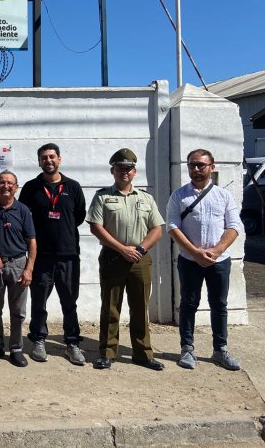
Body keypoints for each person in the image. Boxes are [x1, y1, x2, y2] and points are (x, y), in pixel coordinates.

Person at [86, 149, 165, 371]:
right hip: (113, 257)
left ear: (134, 172)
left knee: (141, 306)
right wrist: (122, 249)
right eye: (120, 168)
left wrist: (139, 249)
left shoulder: (146, 198)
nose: (124, 172)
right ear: (113, 170)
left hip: (140, 259)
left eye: (128, 168)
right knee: (110, 307)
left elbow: (157, 229)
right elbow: (95, 227)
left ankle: (143, 354)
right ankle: (107, 353)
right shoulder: (102, 197)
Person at [166, 149, 244, 371]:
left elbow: (234, 226)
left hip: (219, 261)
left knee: (219, 305)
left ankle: (220, 350)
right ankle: (187, 349)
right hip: (190, 260)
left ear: (212, 166)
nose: (196, 169)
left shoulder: (224, 196)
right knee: (189, 304)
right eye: (192, 165)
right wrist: (195, 252)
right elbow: (172, 227)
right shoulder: (179, 196)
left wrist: (217, 251)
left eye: (201, 165)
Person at [19, 143, 87, 366]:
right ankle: (38, 339)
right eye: (44, 158)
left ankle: (72, 343)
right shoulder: (30, 188)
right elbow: (23, 219)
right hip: (41, 256)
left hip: (68, 254)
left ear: (59, 159)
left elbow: (78, 216)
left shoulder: (73, 187)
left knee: (70, 301)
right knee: (39, 301)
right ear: (39, 162)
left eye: (52, 157)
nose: (48, 161)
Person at [0, 170, 37, 368]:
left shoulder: (23, 210)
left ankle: (16, 348)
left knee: (18, 310)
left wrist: (29, 269)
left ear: (16, 187)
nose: (6, 186)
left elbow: (31, 241)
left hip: (18, 264)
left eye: (10, 183)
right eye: (2, 182)